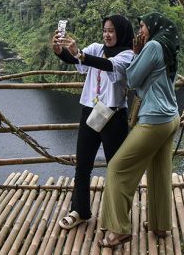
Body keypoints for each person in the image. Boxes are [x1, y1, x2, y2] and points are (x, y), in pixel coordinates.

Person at [98, 12, 181, 248]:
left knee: (117, 168)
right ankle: (160, 224)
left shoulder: (153, 46)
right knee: (159, 169)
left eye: (143, 26)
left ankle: (118, 230)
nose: (140, 31)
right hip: (171, 117)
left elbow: (132, 79)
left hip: (154, 119)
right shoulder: (168, 45)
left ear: (153, 27)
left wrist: (135, 54)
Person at [52, 15, 135, 230]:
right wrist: (61, 51)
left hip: (113, 115)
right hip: (91, 110)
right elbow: (77, 60)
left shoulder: (128, 55)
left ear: (121, 33)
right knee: (83, 164)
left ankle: (115, 215)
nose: (106, 35)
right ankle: (79, 210)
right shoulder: (97, 48)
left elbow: (107, 65)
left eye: (111, 31)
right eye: (105, 30)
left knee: (115, 168)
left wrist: (80, 54)